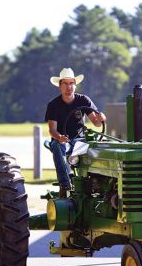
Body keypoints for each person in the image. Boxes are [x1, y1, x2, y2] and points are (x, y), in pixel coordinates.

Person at [45, 67, 106, 195]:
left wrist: (101, 119)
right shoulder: (53, 105)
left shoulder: (83, 100)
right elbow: (52, 130)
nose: (69, 87)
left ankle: (95, 183)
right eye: (65, 84)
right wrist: (59, 137)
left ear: (75, 85)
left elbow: (96, 122)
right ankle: (66, 185)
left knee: (99, 146)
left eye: (71, 83)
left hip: (80, 140)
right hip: (63, 140)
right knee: (57, 145)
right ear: (59, 86)